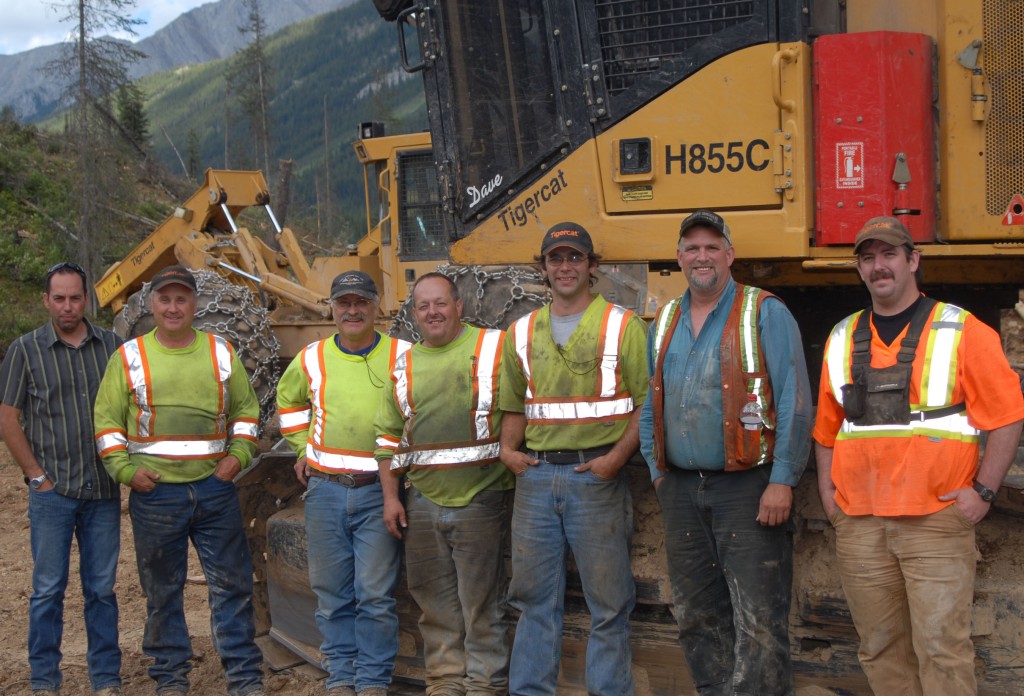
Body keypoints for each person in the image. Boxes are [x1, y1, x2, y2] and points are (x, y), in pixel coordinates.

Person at [814, 216, 1024, 696]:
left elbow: (1008, 414)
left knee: (941, 649)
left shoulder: (961, 330)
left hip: (935, 520)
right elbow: (827, 428)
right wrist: (829, 495)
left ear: (913, 261)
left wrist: (983, 492)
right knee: (880, 648)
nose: (878, 266)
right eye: (867, 258)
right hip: (861, 522)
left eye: (889, 255)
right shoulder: (843, 336)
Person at [639, 209, 813, 696]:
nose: (701, 256)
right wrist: (657, 470)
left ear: (730, 255)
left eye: (712, 246)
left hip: (748, 488)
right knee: (697, 613)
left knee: (758, 619)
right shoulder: (666, 318)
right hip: (680, 490)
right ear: (678, 258)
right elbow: (650, 401)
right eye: (691, 247)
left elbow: (797, 400)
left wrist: (782, 480)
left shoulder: (765, 312)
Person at [92, 265, 266, 696]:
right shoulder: (129, 357)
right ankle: (170, 679)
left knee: (232, 586)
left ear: (194, 304)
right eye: (165, 299)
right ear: (152, 305)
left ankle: (244, 678)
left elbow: (246, 412)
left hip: (215, 489)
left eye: (181, 299)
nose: (173, 307)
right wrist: (127, 471)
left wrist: (238, 456)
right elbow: (107, 424)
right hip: (156, 496)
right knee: (163, 592)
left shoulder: (220, 352)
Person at [499, 222, 647, 696]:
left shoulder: (622, 326)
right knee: (534, 602)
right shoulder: (521, 332)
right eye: (556, 259)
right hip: (538, 478)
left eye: (574, 258)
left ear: (592, 266)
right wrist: (508, 450)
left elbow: (647, 403)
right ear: (543, 268)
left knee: (609, 603)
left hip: (596, 477)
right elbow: (514, 404)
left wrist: (616, 459)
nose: (565, 267)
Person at [375, 272, 514, 696]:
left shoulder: (493, 347)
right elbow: (387, 438)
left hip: (482, 497)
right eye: (423, 306)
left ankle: (485, 685)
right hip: (423, 500)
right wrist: (390, 498)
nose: (432, 312)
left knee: (482, 603)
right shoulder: (404, 363)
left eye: (440, 303)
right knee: (433, 602)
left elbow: (517, 407)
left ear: (458, 306)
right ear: (414, 314)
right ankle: (445, 683)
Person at [276, 270, 410, 696]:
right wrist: (301, 447)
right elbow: (289, 402)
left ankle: (371, 680)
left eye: (361, 302)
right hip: (326, 491)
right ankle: (341, 676)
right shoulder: (312, 357)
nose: (352, 310)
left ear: (376, 307)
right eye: (344, 303)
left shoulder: (404, 355)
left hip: (379, 490)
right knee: (331, 592)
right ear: (332, 309)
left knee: (374, 594)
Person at [0, 262, 123, 696]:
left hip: (103, 489)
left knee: (103, 590)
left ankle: (106, 679)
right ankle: (44, 680)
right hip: (52, 492)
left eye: (75, 298)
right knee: (48, 590)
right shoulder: (25, 349)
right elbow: (8, 418)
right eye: (59, 298)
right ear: (46, 301)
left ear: (86, 299)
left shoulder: (112, 345)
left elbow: (134, 405)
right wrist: (36, 476)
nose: (67, 306)